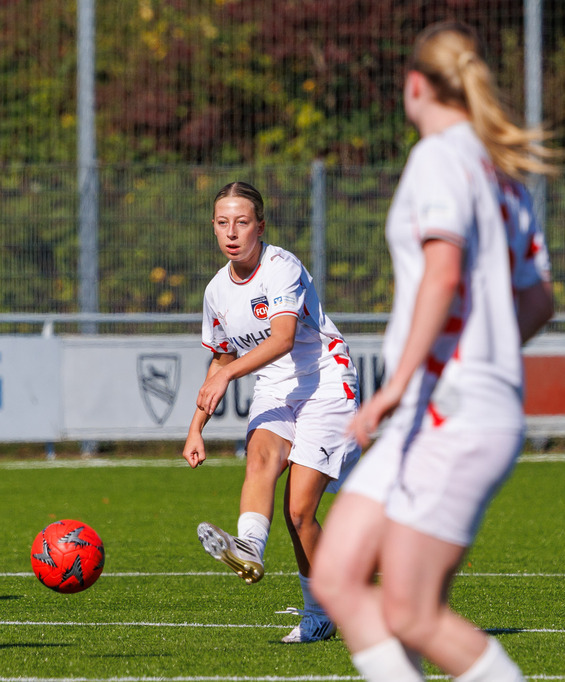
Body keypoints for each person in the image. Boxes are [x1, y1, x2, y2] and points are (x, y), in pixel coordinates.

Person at [309, 22, 557, 682]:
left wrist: (393, 388)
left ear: (414, 85)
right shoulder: (500, 172)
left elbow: (444, 274)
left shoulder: (440, 157)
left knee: (412, 612)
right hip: (447, 410)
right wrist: (487, 350)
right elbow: (537, 302)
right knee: (336, 575)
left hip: (447, 412)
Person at [182, 181, 361, 643]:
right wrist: (195, 428)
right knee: (261, 458)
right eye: (223, 223)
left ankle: (325, 606)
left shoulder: (282, 267)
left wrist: (226, 376)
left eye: (242, 222)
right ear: (213, 229)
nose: (232, 232)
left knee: (299, 510)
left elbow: (282, 338)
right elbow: (220, 357)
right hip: (274, 384)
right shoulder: (216, 291)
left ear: (260, 227)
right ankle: (250, 550)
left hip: (324, 381)